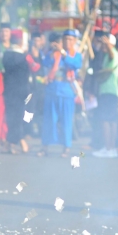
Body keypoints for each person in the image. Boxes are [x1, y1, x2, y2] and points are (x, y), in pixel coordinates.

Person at [38, 29, 83, 157]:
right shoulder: (55, 53)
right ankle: (45, 146)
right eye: (65, 39)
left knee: (66, 121)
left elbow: (75, 65)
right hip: (52, 89)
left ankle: (66, 147)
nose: (67, 41)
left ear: (74, 41)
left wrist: (64, 54)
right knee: (49, 120)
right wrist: (51, 51)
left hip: (67, 90)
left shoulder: (76, 55)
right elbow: (45, 63)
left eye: (70, 39)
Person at [2, 32, 40, 154]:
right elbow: (36, 68)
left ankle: (9, 143)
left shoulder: (5, 55)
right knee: (18, 117)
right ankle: (18, 142)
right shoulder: (25, 57)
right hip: (21, 91)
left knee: (11, 116)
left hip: (8, 90)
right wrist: (36, 57)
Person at [92, 33, 118, 158]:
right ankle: (110, 148)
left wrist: (108, 44)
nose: (103, 45)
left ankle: (109, 149)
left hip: (108, 92)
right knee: (111, 120)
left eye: (106, 43)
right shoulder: (106, 56)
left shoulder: (112, 53)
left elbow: (111, 53)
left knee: (105, 120)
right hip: (110, 92)